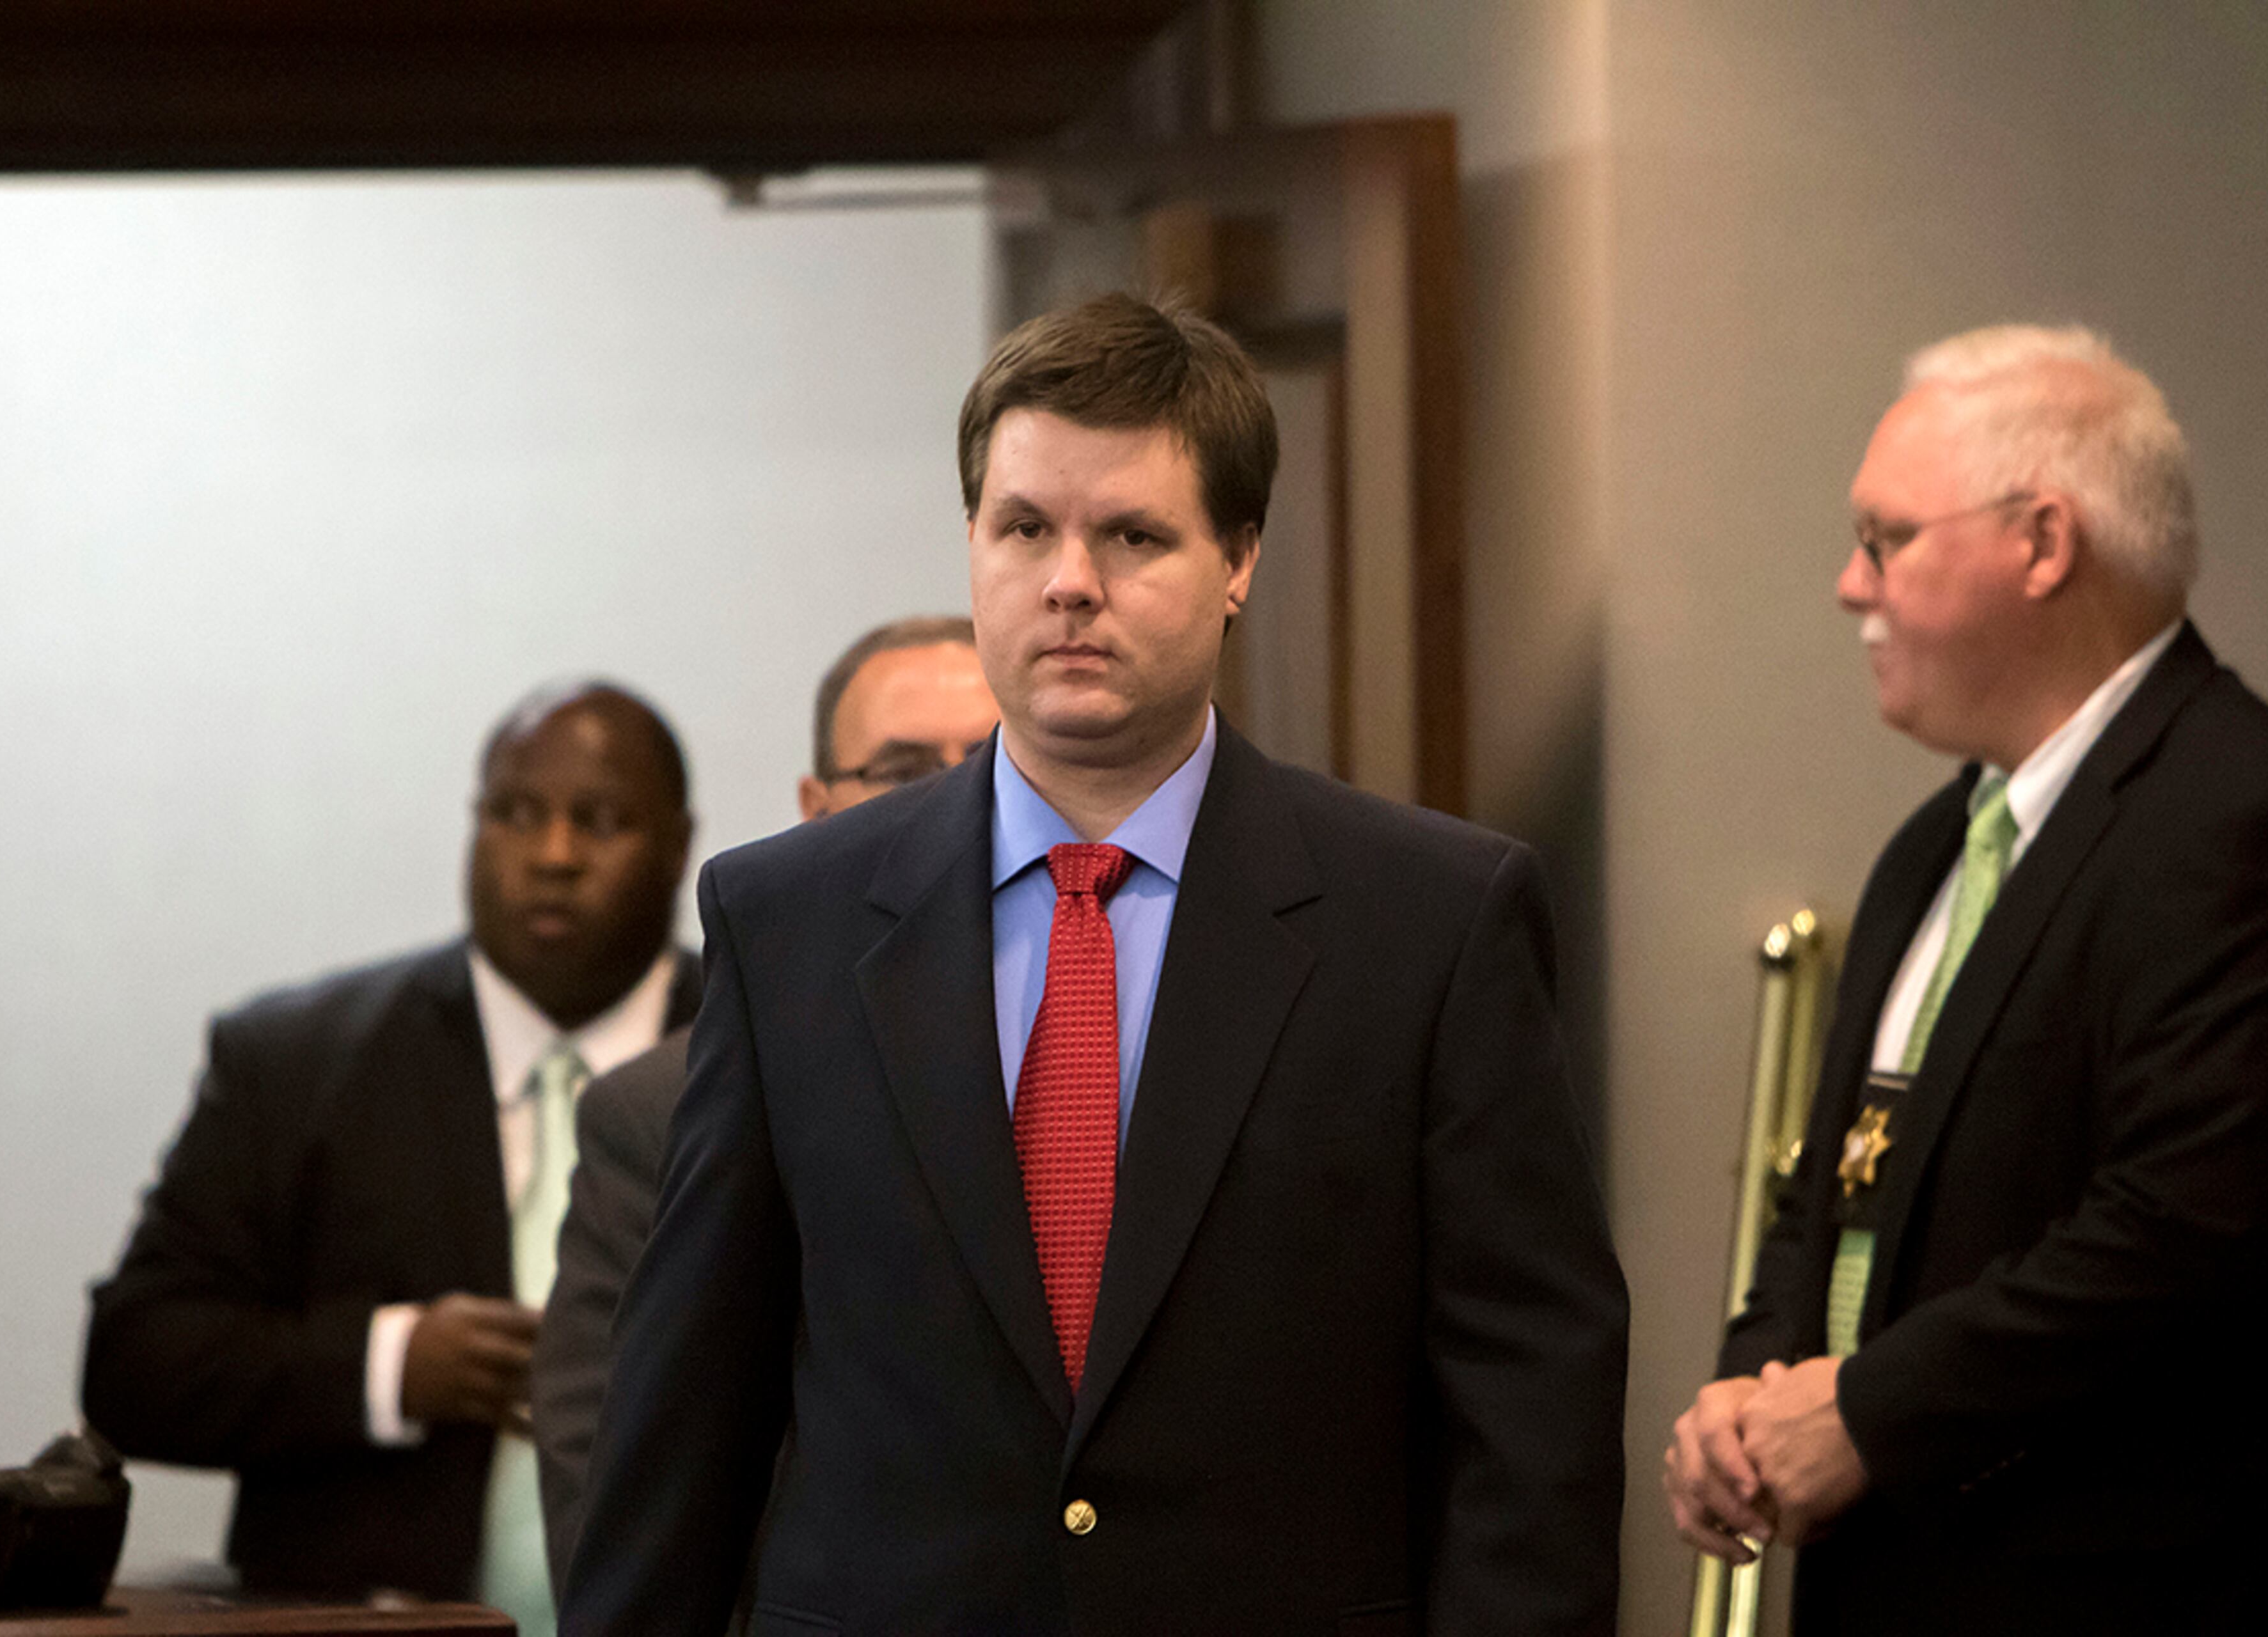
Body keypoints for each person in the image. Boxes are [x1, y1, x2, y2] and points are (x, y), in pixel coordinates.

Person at [562, 293, 1628, 1637]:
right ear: (972, 544)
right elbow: (684, 1417)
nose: (1070, 581)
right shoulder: (789, 921)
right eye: (1024, 529)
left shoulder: (1432, 923)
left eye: (1132, 534)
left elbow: (1531, 1419)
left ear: (1239, 559)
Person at [1664, 325, 2268, 1634]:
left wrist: (1867, 1413)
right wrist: (1753, 1389)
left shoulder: (2247, 812)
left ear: (2044, 542)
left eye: (1885, 538)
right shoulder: (1936, 846)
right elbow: (1831, 1185)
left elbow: (2181, 1230)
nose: (1850, 584)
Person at [82, 682, 699, 1631]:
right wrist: (388, 1364)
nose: (553, 856)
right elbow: (135, 1364)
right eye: (515, 813)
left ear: (679, 845)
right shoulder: (297, 1064)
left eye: (602, 821)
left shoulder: (768, 1051)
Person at [530, 615, 998, 1592]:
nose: (955, 803)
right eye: (904, 771)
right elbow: (626, 1520)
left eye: (993, 765)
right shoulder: (656, 1115)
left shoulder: (1130, 1060)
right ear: (817, 811)